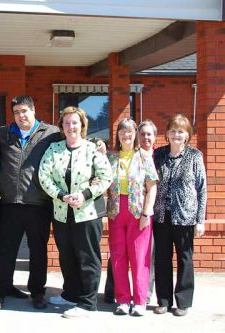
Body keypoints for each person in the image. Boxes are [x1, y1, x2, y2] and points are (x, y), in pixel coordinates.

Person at [38, 106, 112, 318]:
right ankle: (70, 294)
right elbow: (44, 177)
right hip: (62, 213)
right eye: (67, 123)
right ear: (62, 126)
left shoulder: (92, 149)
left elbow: (106, 177)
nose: (71, 126)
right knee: (67, 256)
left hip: (87, 213)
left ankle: (88, 303)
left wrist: (85, 194)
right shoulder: (54, 149)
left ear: (82, 125)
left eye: (75, 123)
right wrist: (61, 196)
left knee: (88, 258)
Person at [0, 95, 62, 311]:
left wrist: (97, 143)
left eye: (24, 111)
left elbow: (72, 141)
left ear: (33, 110)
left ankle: (38, 293)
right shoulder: (3, 134)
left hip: (38, 204)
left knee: (38, 251)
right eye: (17, 112)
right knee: (6, 251)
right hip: (10, 204)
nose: (21, 116)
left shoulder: (50, 134)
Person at [152, 114, 207, 317]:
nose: (176, 134)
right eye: (173, 130)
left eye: (181, 131)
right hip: (161, 216)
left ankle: (183, 301)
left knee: (185, 259)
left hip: (185, 217)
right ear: (167, 134)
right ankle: (163, 300)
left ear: (187, 135)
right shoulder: (158, 155)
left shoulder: (195, 156)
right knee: (162, 259)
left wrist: (200, 220)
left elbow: (202, 189)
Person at [106, 118, 158, 316]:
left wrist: (147, 212)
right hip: (116, 211)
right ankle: (122, 300)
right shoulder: (112, 158)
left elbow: (152, 186)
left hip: (138, 212)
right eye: (122, 132)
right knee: (118, 257)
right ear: (118, 135)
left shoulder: (144, 156)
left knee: (139, 257)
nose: (126, 135)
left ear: (135, 134)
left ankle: (139, 301)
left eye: (129, 132)